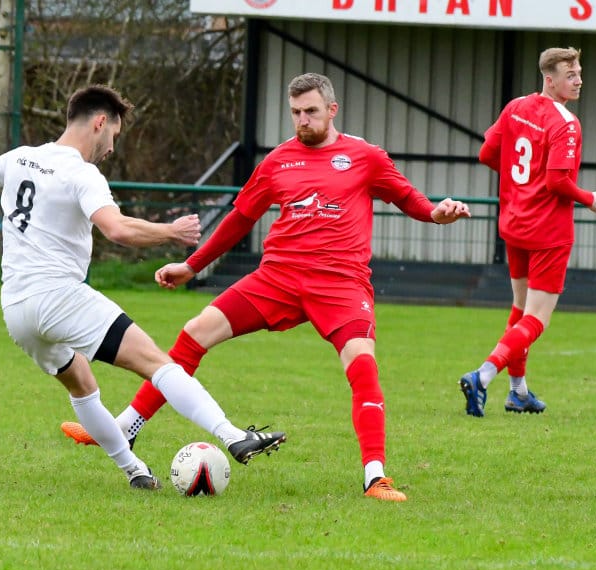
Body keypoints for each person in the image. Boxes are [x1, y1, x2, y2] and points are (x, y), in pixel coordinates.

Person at [61, 73, 471, 501]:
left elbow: (408, 198)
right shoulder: (278, 161)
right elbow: (240, 218)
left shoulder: (365, 156)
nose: (302, 120)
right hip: (278, 277)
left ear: (332, 110)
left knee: (362, 364)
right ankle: (126, 427)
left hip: (340, 283)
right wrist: (191, 266)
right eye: (295, 112)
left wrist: (434, 212)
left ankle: (375, 477)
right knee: (196, 331)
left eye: (311, 111)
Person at [0, 84, 285, 490]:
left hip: (16, 310)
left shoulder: (21, 157)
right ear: (100, 123)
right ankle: (233, 435)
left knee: (82, 384)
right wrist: (170, 231)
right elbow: (117, 229)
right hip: (60, 297)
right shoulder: (82, 174)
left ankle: (135, 471)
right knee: (159, 364)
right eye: (114, 136)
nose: (112, 148)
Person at [458, 47, 596, 417]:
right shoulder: (566, 123)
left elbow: (487, 154)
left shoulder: (516, 107)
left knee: (520, 307)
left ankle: (518, 391)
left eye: (579, 73)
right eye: (570, 75)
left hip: (515, 222)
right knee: (537, 318)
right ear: (549, 79)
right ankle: (483, 375)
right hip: (548, 231)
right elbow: (558, 182)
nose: (578, 80)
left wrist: (522, 183)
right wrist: (590, 198)